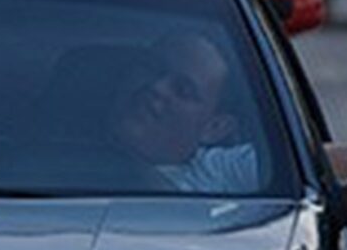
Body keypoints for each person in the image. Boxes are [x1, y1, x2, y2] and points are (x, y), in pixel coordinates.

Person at [110, 31, 263, 193]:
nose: (157, 87)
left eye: (183, 90)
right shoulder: (82, 156)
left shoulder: (219, 171)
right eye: (153, 69)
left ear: (215, 127)